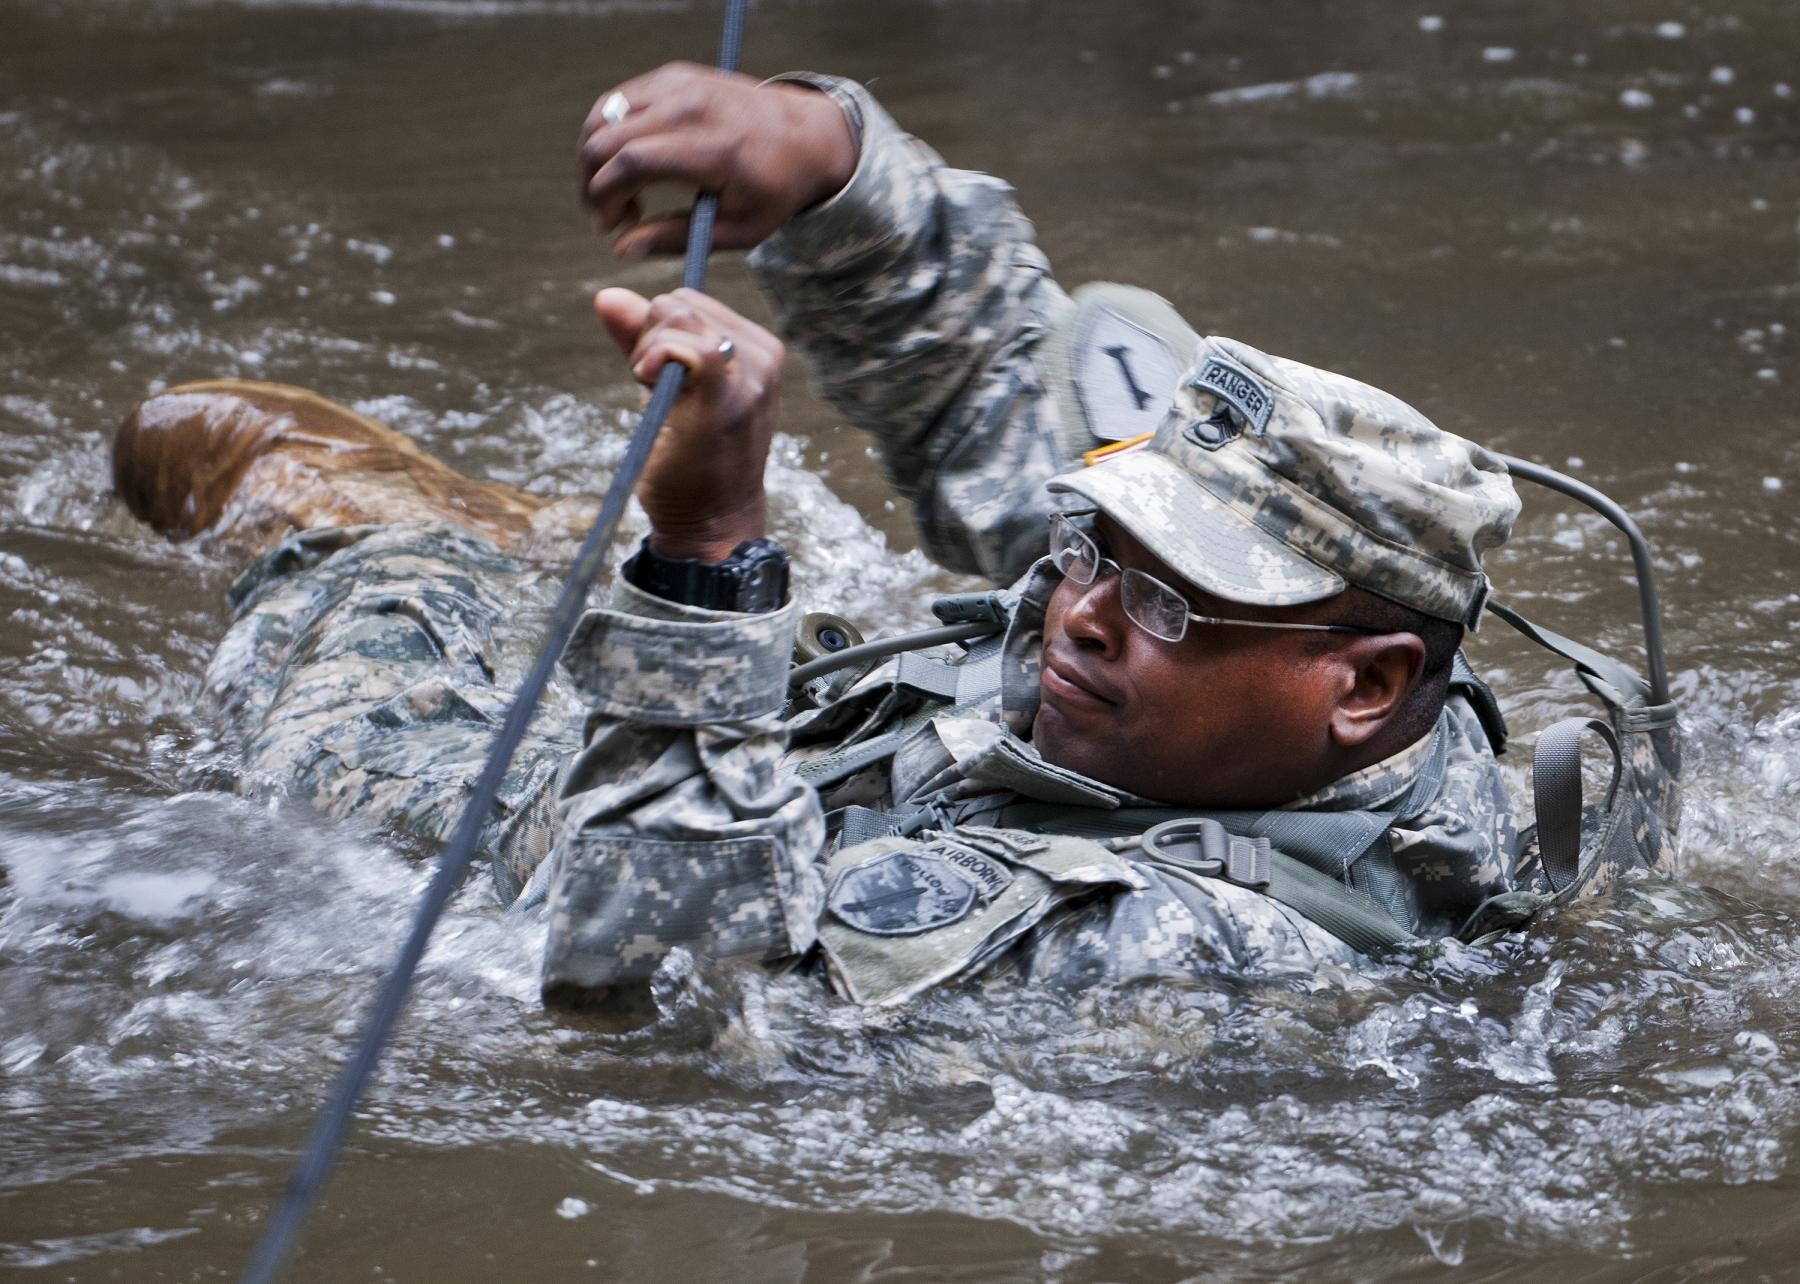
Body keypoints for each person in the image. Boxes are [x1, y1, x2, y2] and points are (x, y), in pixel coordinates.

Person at [114, 64, 1521, 1016]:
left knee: (334, 689)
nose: (1081, 611)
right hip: (799, 742)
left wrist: (710, 556)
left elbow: (644, 985)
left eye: (1167, 603)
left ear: (1369, 684)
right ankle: (537, 548)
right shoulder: (1275, 675)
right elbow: (998, 400)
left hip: (601, 839)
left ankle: (378, 534)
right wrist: (831, 162)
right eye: (1101, 552)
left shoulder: (1173, 957)